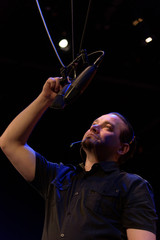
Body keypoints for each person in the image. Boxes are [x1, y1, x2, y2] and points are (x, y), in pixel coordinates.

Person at [0, 77, 158, 240]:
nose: (95, 127)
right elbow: (9, 142)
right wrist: (45, 99)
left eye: (108, 128)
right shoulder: (57, 176)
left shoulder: (132, 186)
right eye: (94, 123)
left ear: (122, 148)